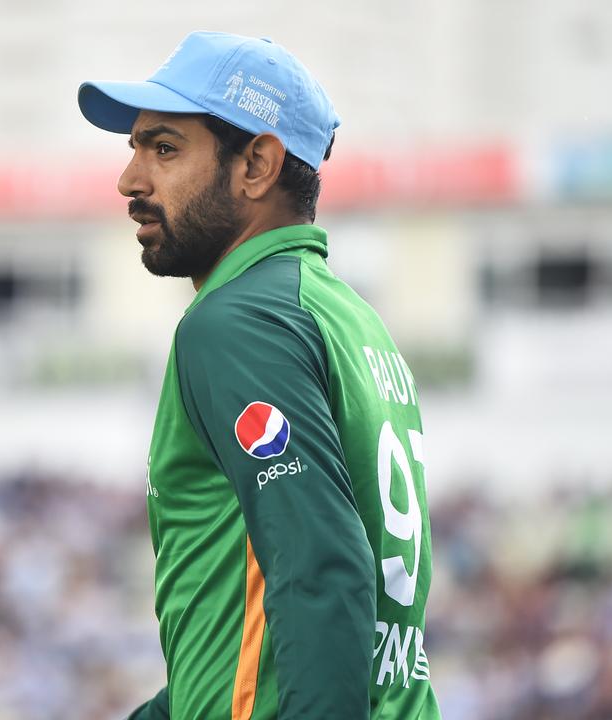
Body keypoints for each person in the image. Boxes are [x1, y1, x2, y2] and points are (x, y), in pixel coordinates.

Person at [78, 31, 440, 719]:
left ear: (257, 166)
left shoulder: (237, 322)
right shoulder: (346, 315)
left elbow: (318, 571)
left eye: (164, 148)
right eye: (134, 148)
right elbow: (243, 643)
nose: (130, 179)